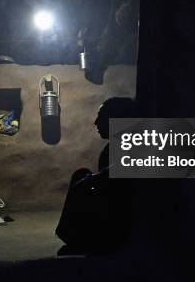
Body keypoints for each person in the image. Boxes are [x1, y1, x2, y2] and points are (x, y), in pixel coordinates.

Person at [55, 97, 137, 255]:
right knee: (82, 174)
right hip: (113, 208)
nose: (96, 122)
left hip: (123, 218)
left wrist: (90, 181)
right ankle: (76, 235)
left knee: (83, 178)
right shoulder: (112, 147)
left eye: (102, 116)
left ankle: (90, 239)